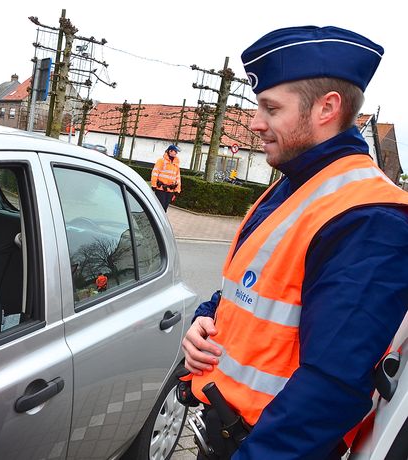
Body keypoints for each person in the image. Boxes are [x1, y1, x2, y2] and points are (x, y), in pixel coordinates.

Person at [181, 25, 408, 459]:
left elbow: (332, 387)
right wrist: (205, 318)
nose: (255, 122)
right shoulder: (297, 186)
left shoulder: (369, 217)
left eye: (271, 108)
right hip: (227, 430)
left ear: (327, 108)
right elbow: (251, 290)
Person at [151, 144, 181, 211]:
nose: (176, 153)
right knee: (159, 208)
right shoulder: (161, 161)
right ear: (170, 151)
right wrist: (153, 185)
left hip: (170, 190)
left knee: (164, 209)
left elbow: (178, 178)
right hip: (161, 189)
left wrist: (177, 190)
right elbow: (155, 172)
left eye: (177, 152)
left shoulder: (176, 164)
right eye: (175, 151)